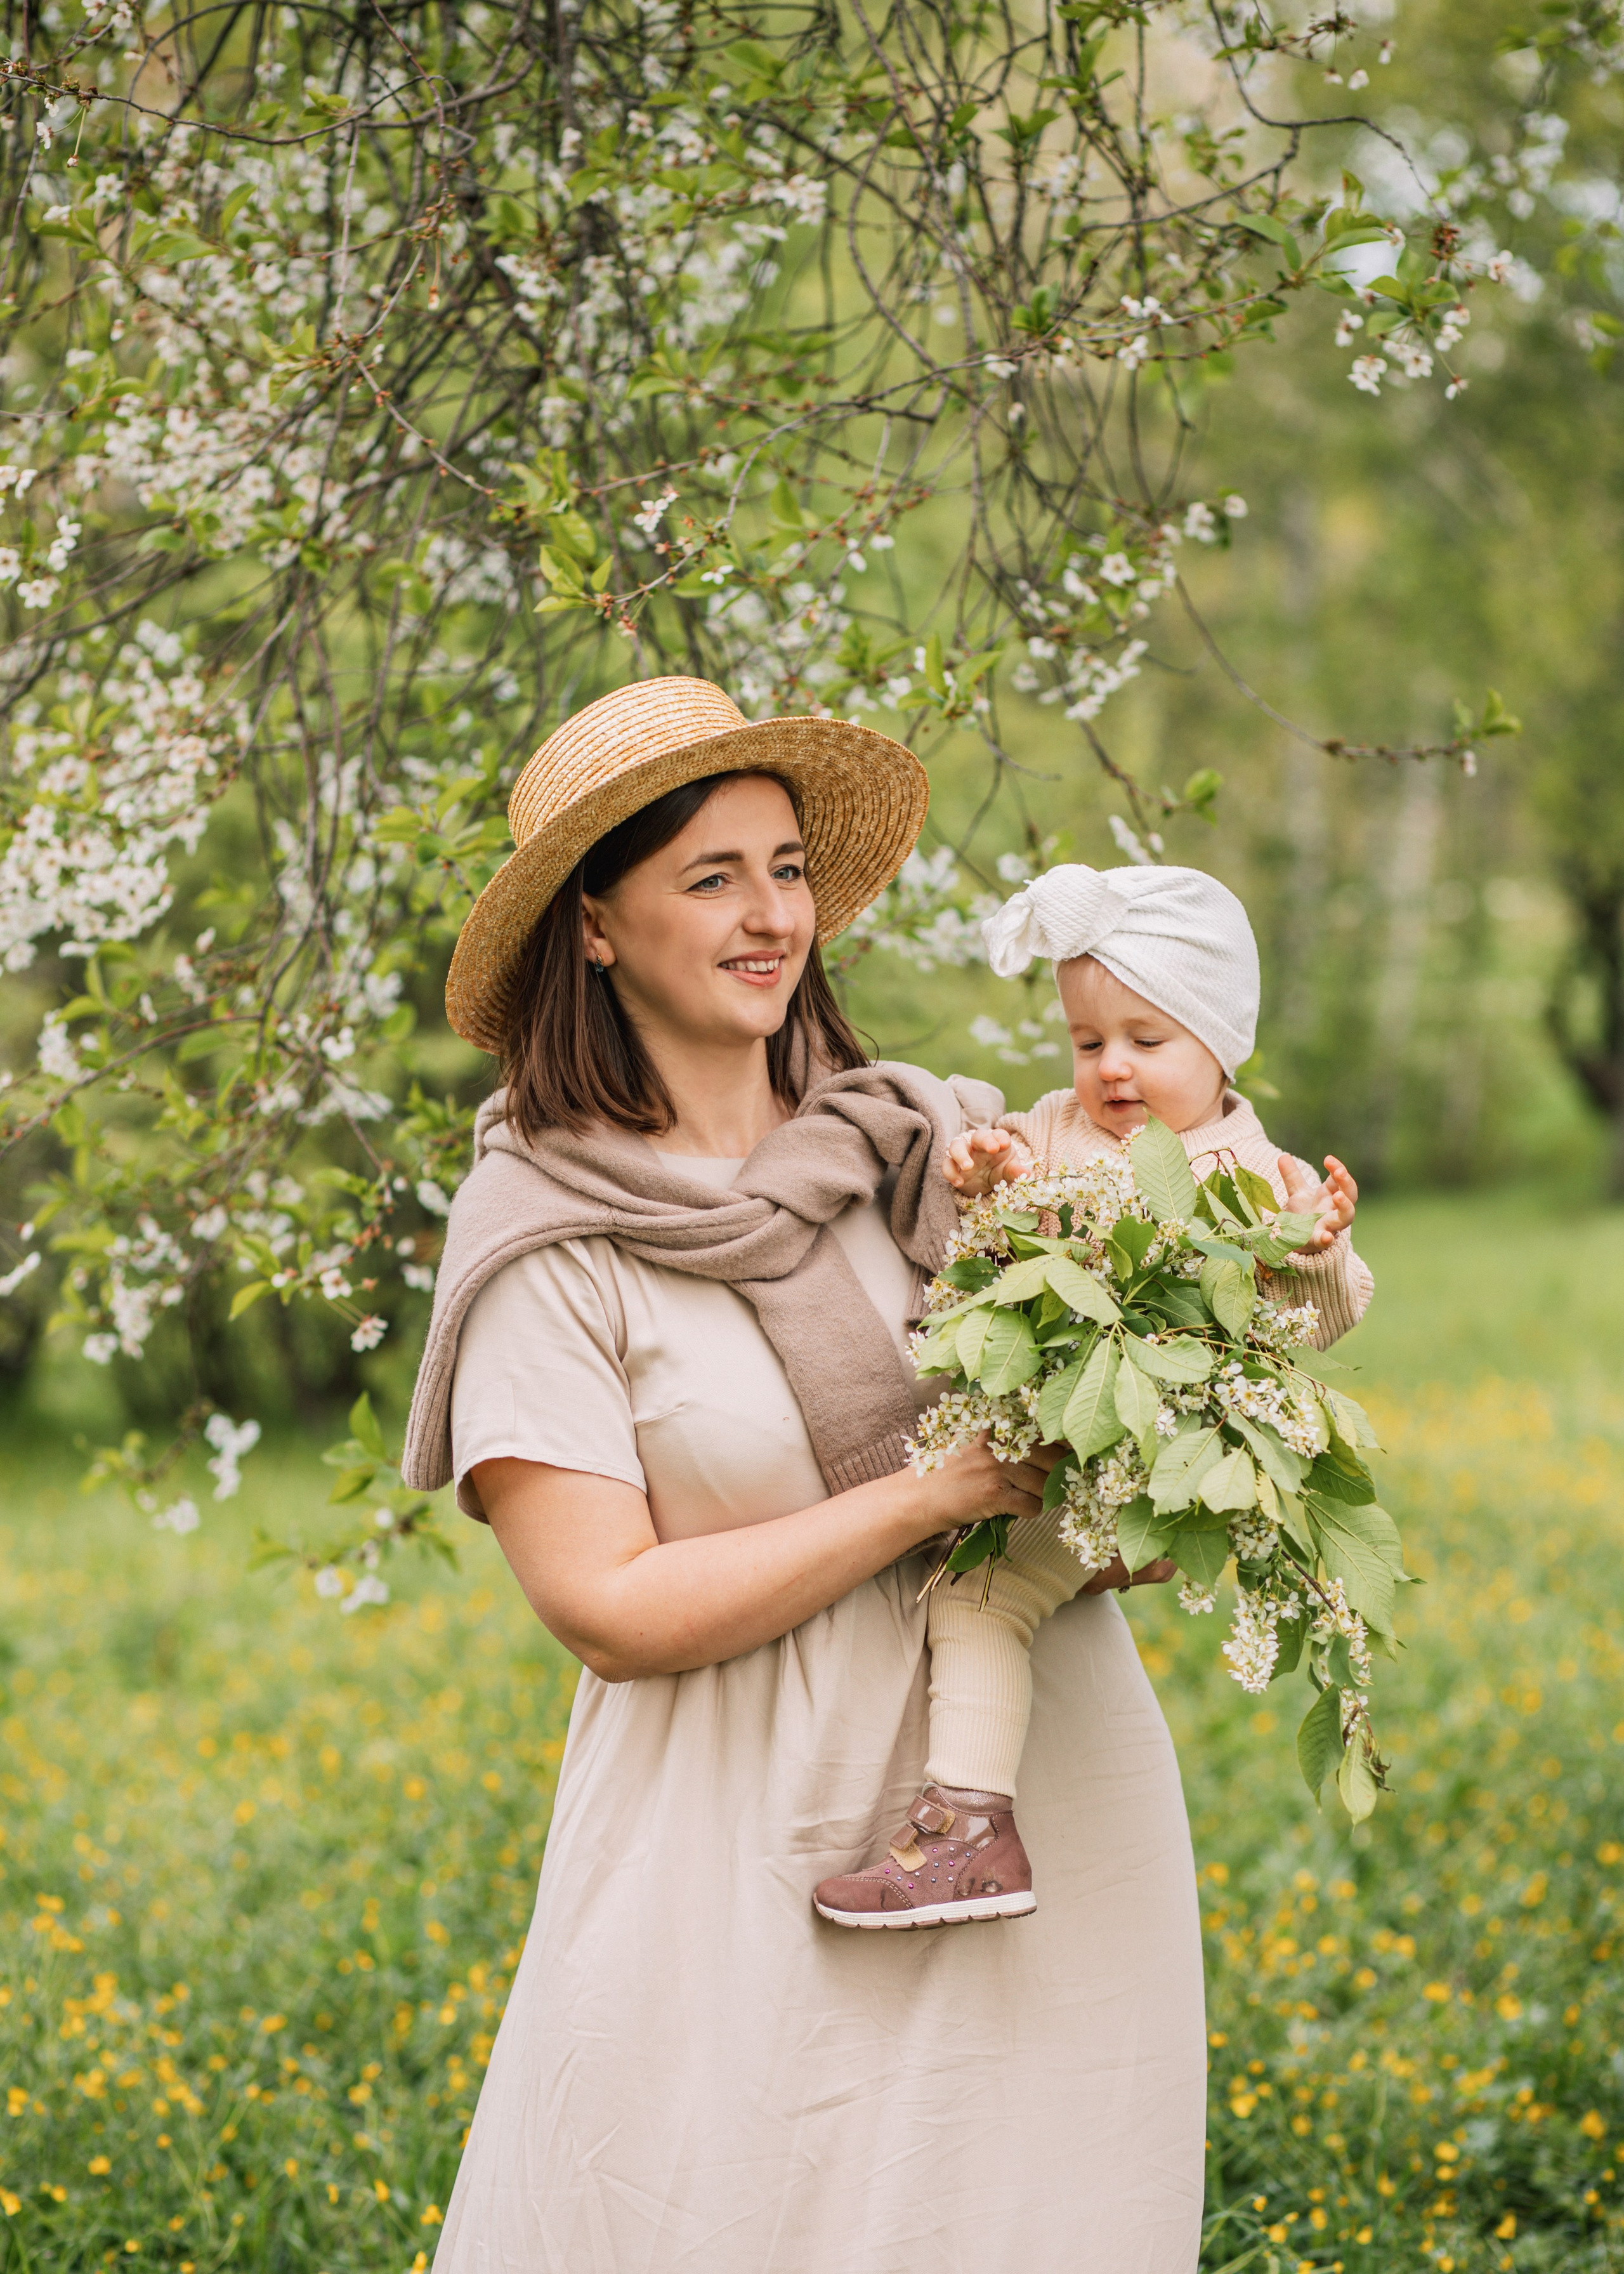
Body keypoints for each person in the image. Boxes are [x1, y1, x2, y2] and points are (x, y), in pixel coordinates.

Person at [402, 681, 1207, 2273]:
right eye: (710, 878)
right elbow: (607, 1607)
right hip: (742, 1841)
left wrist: (1173, 1453)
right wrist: (927, 1495)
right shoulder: (541, 1240)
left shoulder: (927, 1145)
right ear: (595, 925)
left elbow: (1084, 1453)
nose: (770, 914)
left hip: (1033, 1799)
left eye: (784, 868)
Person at [811, 862, 1372, 1932]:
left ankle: (968, 1829)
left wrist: (1310, 1247)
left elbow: (1316, 1319)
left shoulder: (1249, 1170)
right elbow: (1002, 1237)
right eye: (1086, 1041)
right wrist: (988, 1178)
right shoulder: (1060, 1127)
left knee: (982, 1593)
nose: (1111, 1069)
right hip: (1068, 1426)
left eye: (1147, 1042)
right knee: (971, 1580)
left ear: (1220, 1044)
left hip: (1140, 1448)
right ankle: (966, 1821)